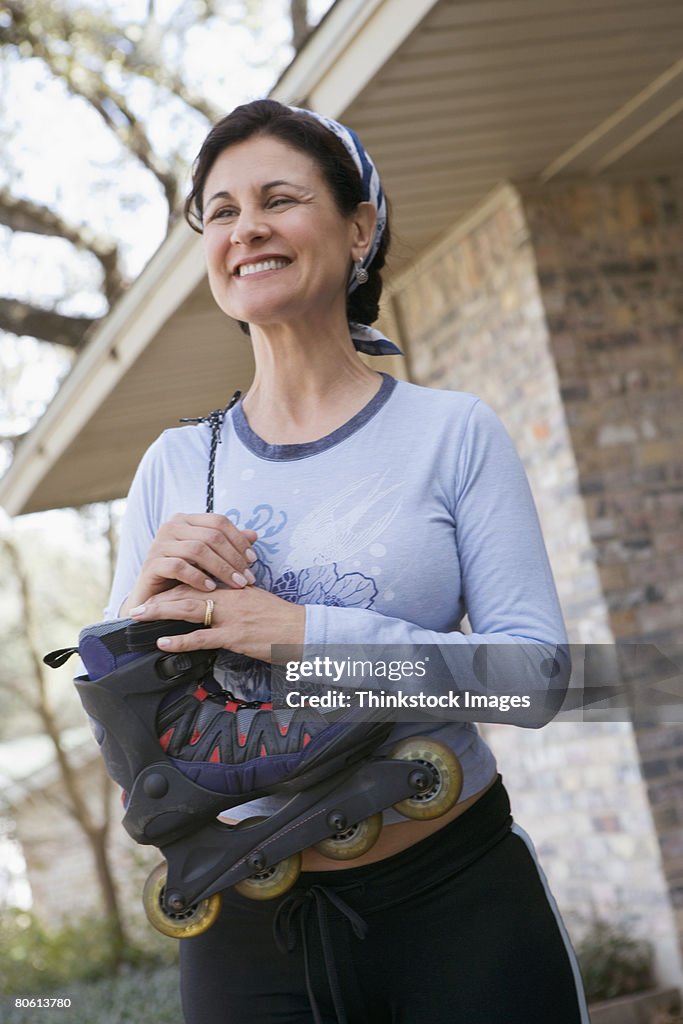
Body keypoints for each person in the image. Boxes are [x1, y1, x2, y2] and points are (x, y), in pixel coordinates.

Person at [105, 99, 589, 1024]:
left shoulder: (451, 433)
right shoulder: (174, 467)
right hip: (244, 928)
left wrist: (305, 634)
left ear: (358, 227)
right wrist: (142, 618)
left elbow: (538, 680)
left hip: (454, 898)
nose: (246, 227)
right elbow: (135, 773)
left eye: (278, 198)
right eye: (220, 211)